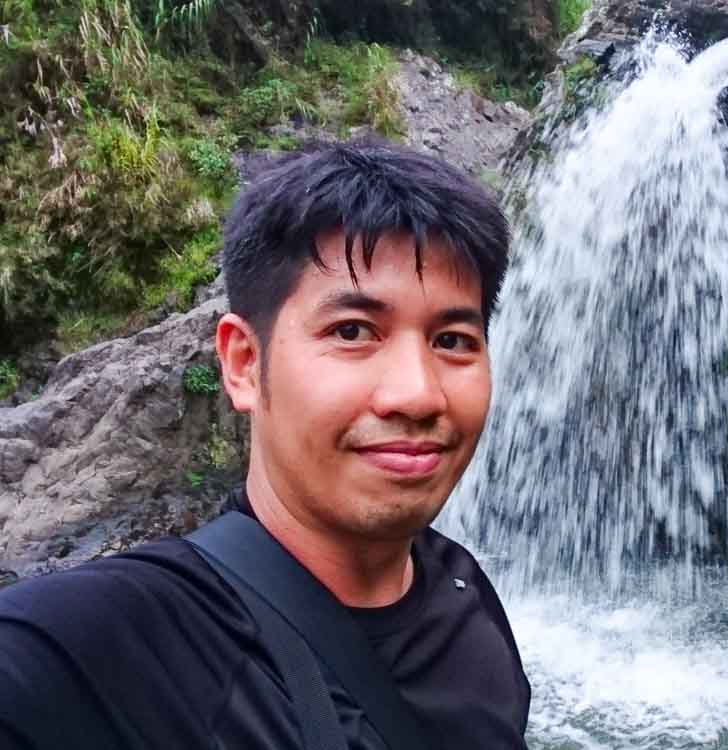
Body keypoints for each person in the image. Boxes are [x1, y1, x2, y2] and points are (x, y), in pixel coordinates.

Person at [0, 140, 530, 749]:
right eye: (352, 331)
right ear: (244, 364)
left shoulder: (468, 597)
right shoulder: (103, 647)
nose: (418, 395)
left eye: (454, 340)